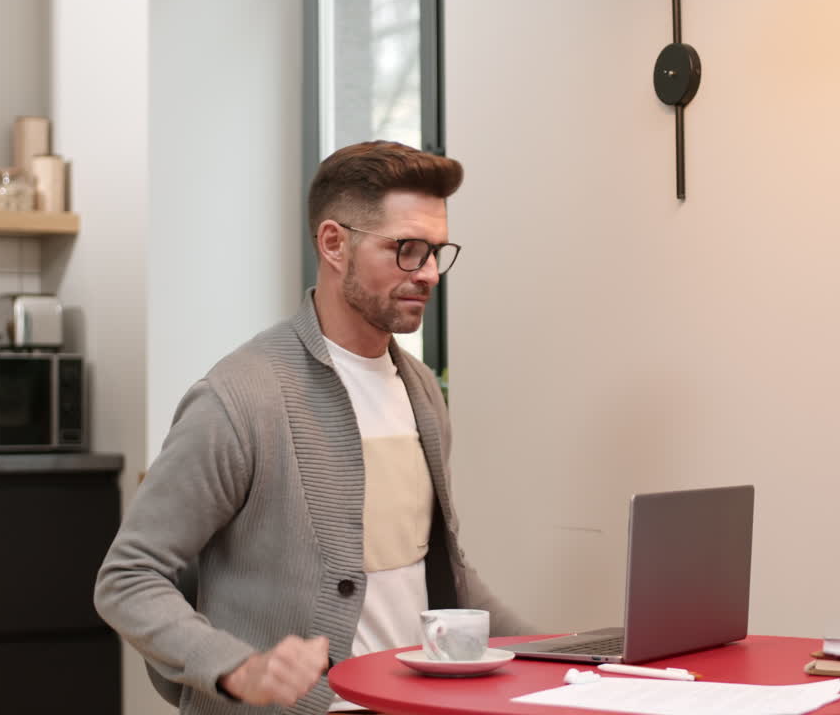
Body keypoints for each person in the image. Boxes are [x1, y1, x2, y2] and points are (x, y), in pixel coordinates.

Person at [94, 140, 530, 715]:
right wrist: (236, 668)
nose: (428, 273)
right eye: (406, 249)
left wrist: (570, 656)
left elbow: (441, 574)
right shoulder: (240, 397)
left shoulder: (422, 390)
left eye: (436, 252)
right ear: (333, 243)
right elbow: (128, 577)